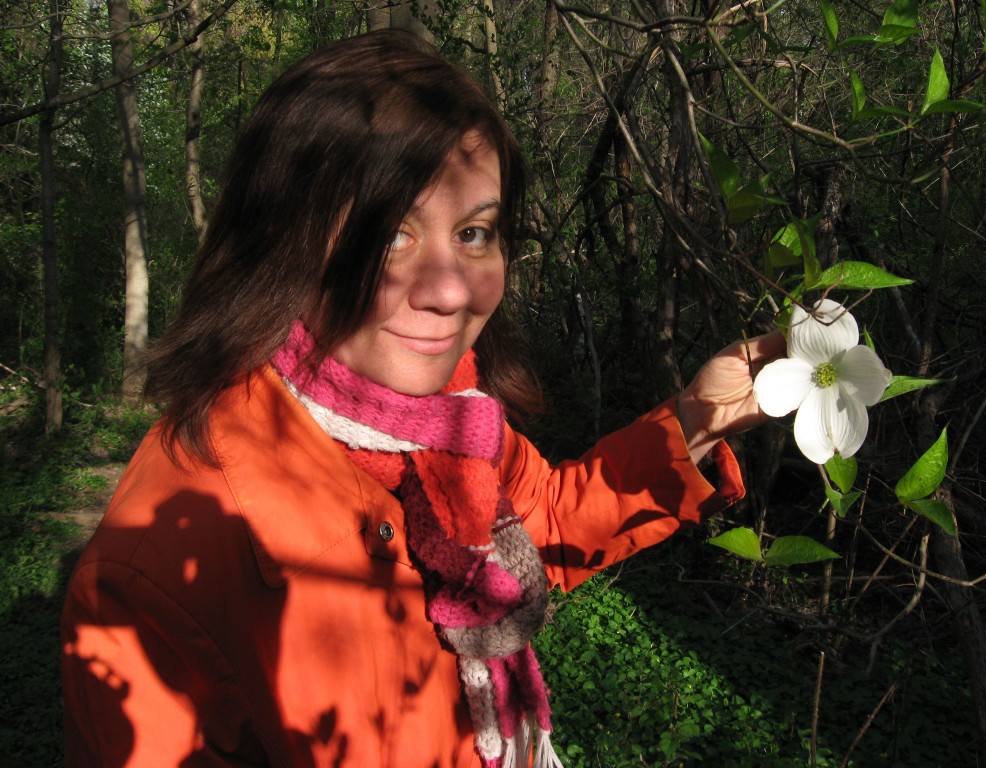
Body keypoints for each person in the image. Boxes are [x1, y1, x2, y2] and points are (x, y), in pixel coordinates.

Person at [61, 29, 785, 768]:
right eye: (392, 236)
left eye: (474, 233)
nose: (449, 289)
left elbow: (552, 518)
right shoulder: (160, 568)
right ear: (285, 243)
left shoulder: (453, 425)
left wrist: (697, 419)